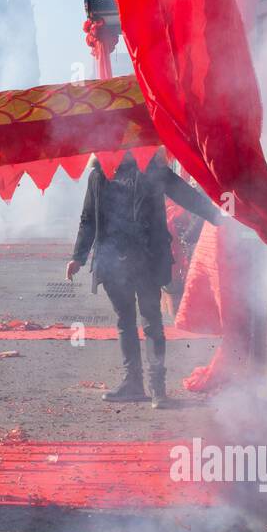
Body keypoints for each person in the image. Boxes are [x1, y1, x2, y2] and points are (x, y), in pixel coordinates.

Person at [66, 150, 222, 407]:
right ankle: (140, 386)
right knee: (135, 322)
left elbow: (186, 195)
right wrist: (78, 257)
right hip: (118, 261)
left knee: (144, 322)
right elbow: (89, 219)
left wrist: (219, 216)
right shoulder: (101, 175)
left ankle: (154, 389)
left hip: (143, 259)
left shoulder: (150, 169)